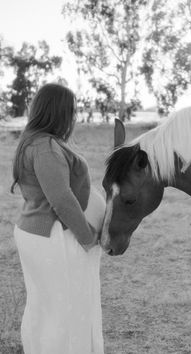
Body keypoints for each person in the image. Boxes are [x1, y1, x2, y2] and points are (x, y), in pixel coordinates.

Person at [11, 83, 105, 354]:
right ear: (58, 112)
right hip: (52, 237)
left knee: (48, 305)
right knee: (64, 308)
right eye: (72, 111)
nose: (74, 117)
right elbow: (61, 199)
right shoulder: (45, 148)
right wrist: (87, 237)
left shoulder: (35, 141)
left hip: (40, 234)